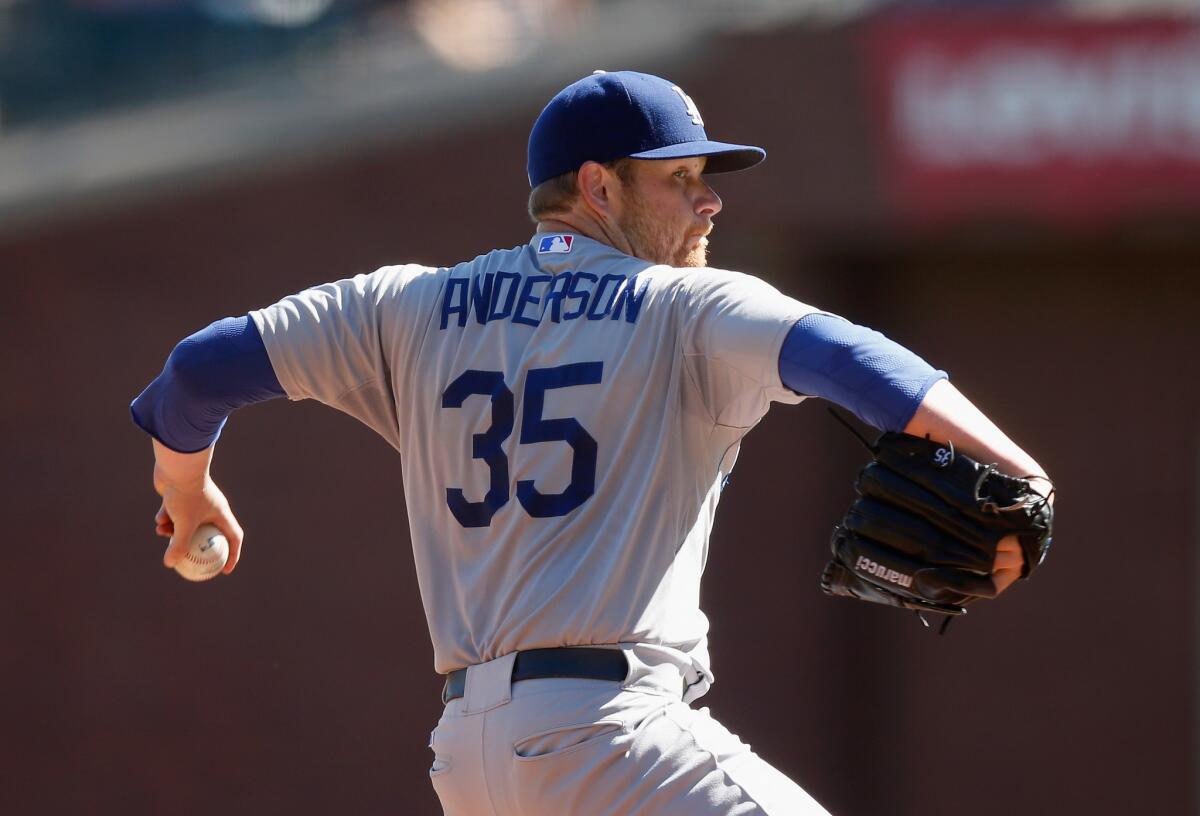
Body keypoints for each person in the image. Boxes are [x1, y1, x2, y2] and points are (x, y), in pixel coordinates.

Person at [132, 70, 1051, 815]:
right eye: (679, 179)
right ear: (598, 187)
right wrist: (1017, 471)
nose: (708, 205)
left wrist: (185, 491)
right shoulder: (684, 304)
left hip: (472, 762)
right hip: (614, 739)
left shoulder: (404, 305)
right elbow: (849, 356)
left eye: (707, 181)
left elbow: (201, 370)